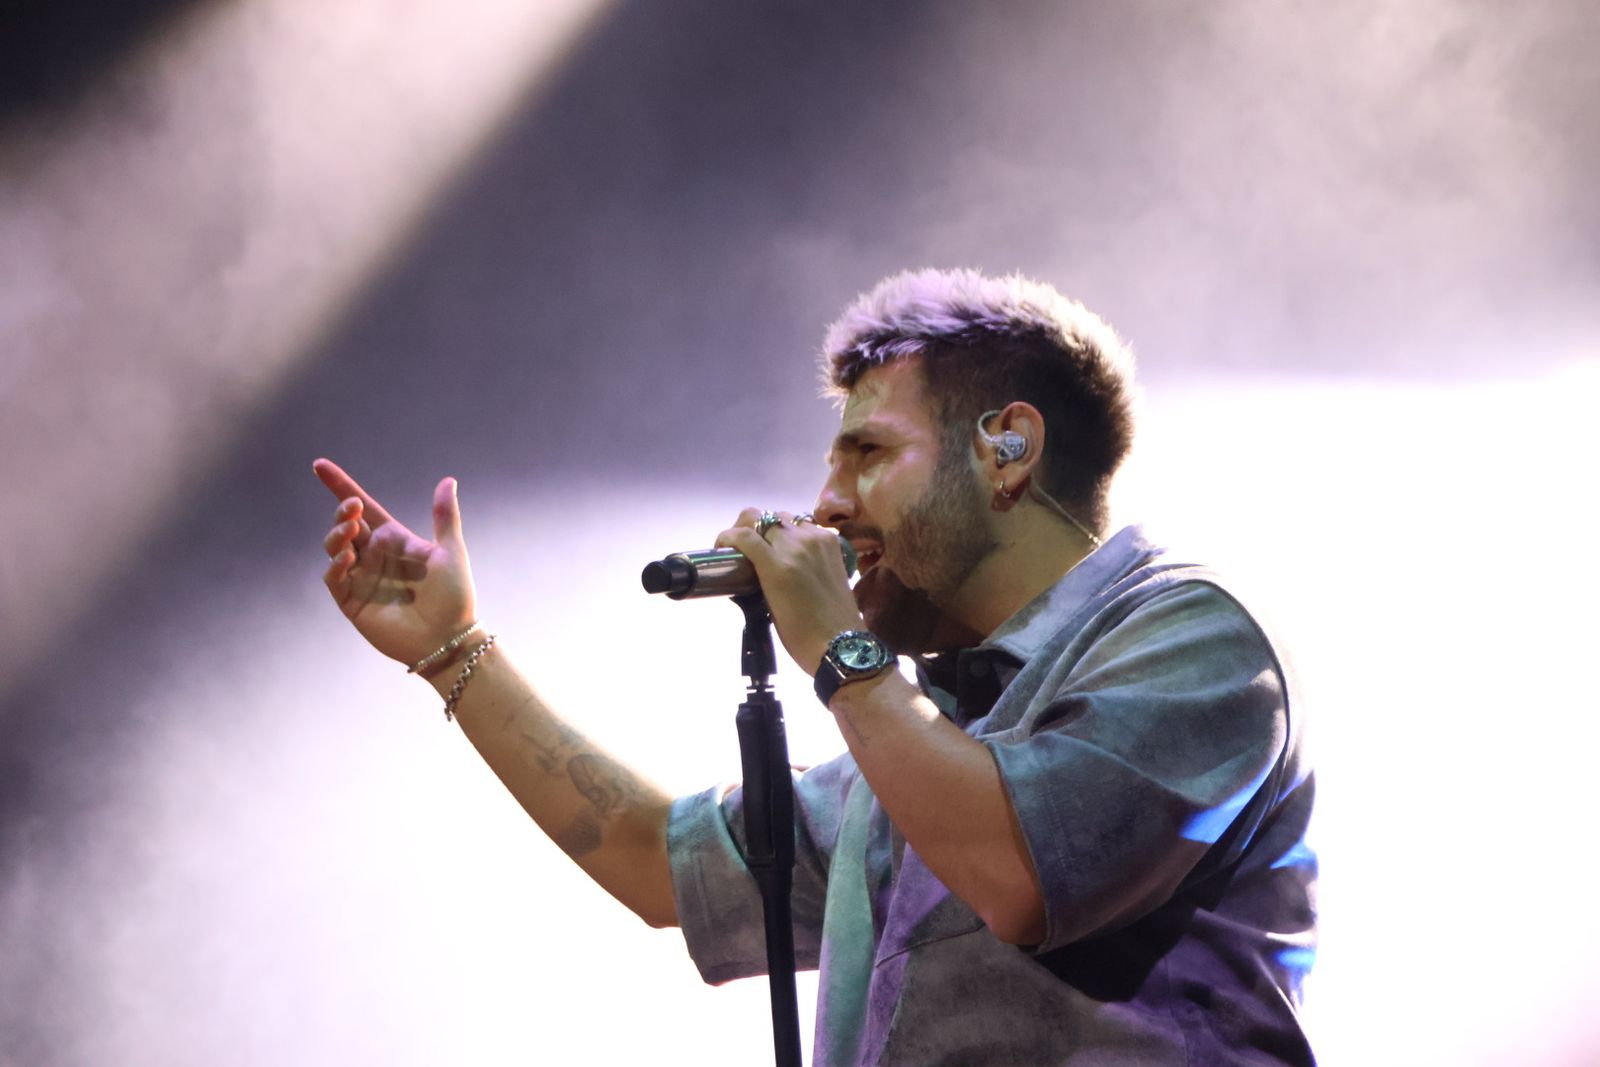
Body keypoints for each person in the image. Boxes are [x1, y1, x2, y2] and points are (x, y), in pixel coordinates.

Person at [314, 268, 1317, 1066]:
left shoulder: (1190, 634)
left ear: (1006, 445)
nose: (825, 503)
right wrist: (456, 651)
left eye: (867, 453)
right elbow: (655, 859)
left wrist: (840, 650)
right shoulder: (921, 742)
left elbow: (1018, 876)